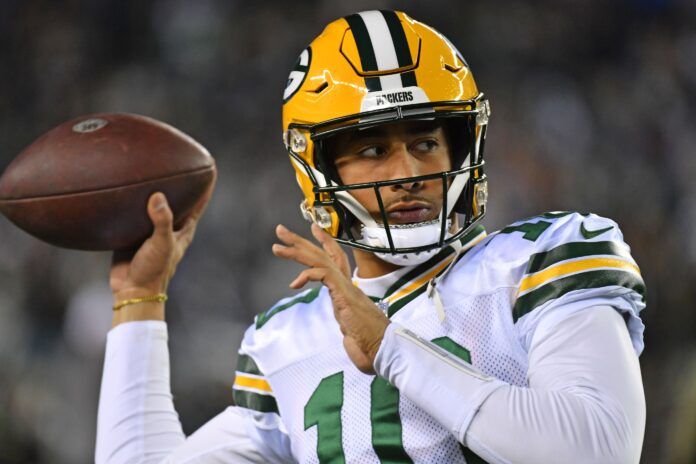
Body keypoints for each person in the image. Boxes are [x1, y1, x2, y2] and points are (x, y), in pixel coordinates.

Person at [96, 10, 646, 464]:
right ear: (319, 172)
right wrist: (138, 300)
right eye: (374, 149)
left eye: (426, 142)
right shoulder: (288, 340)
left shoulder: (541, 260)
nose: (407, 171)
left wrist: (389, 346)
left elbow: (597, 450)